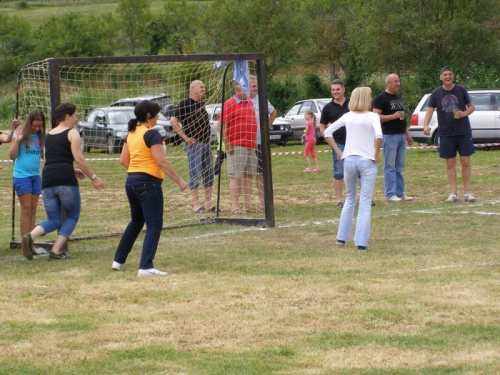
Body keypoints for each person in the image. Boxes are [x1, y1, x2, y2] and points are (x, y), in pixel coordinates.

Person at [112, 100, 187, 277]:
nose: (157, 118)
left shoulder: (131, 133)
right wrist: (180, 181)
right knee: (154, 224)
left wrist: (138, 170)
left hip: (131, 181)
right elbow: (161, 161)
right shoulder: (152, 134)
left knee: (136, 222)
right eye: (156, 115)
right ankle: (145, 266)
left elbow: (124, 161)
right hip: (148, 183)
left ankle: (118, 261)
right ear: (148, 116)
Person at [22, 103, 104, 260]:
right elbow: (79, 158)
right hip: (65, 181)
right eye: (75, 115)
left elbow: (48, 159)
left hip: (47, 179)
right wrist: (94, 177)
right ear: (67, 116)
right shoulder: (73, 133)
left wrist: (70, 169)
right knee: (72, 216)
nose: (76, 118)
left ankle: (30, 235)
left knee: (53, 219)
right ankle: (56, 251)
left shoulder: (48, 135)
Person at [324, 87, 383, 251]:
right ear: (366, 98)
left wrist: (338, 152)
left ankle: (341, 238)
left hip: (349, 160)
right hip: (366, 160)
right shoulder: (372, 117)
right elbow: (379, 136)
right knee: (364, 202)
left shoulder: (347, 116)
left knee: (350, 199)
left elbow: (327, 132)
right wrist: (375, 153)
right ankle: (361, 242)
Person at [423, 66, 476, 203]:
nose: (448, 76)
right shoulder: (436, 93)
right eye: (445, 74)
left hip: (463, 131)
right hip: (446, 132)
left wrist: (464, 113)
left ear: (453, 76)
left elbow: (471, 107)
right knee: (450, 163)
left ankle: (467, 193)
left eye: (450, 74)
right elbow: (429, 110)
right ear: (441, 77)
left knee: (465, 161)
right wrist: (425, 125)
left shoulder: (461, 89)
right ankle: (453, 193)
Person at [170, 80, 214, 213]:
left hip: (206, 144)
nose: (203, 89)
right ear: (192, 89)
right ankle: (196, 205)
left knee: (209, 174)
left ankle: (208, 204)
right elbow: (173, 121)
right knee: (195, 174)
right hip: (194, 145)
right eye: (201, 87)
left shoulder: (201, 104)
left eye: (204, 87)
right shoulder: (185, 103)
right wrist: (186, 138)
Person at [10, 110, 48, 257]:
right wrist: (18, 140)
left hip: (35, 176)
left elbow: (45, 157)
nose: (37, 129)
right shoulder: (19, 134)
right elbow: (12, 156)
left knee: (33, 209)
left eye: (40, 126)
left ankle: (31, 243)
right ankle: (24, 245)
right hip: (21, 176)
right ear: (29, 123)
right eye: (34, 126)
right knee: (26, 209)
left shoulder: (41, 137)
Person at [373, 74, 414, 202]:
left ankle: (400, 193)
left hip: (401, 135)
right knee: (390, 166)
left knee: (400, 166)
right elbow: (375, 117)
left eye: (398, 81)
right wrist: (393, 116)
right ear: (388, 83)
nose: (398, 83)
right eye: (395, 81)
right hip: (389, 135)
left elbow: (402, 116)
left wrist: (407, 133)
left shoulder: (398, 97)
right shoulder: (381, 98)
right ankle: (390, 194)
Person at [219, 81, 258, 213]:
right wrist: (227, 143)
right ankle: (235, 206)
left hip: (250, 144)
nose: (247, 92)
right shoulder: (229, 104)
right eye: (244, 89)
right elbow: (221, 125)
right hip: (237, 145)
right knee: (236, 175)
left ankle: (248, 205)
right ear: (236, 91)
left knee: (249, 175)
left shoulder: (250, 103)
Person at [320, 79, 349, 208]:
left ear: (343, 89)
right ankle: (338, 200)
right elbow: (322, 127)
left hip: (354, 142)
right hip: (338, 144)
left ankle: (365, 199)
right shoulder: (327, 108)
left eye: (337, 89)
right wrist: (331, 143)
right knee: (339, 172)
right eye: (333, 90)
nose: (335, 92)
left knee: (359, 170)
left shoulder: (352, 104)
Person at [249, 75, 277, 210]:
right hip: (245, 143)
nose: (256, 88)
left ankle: (263, 202)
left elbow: (273, 112)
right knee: (246, 174)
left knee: (261, 173)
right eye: (253, 86)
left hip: (260, 142)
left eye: (256, 85)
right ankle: (245, 204)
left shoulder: (262, 99)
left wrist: (267, 127)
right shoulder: (241, 99)